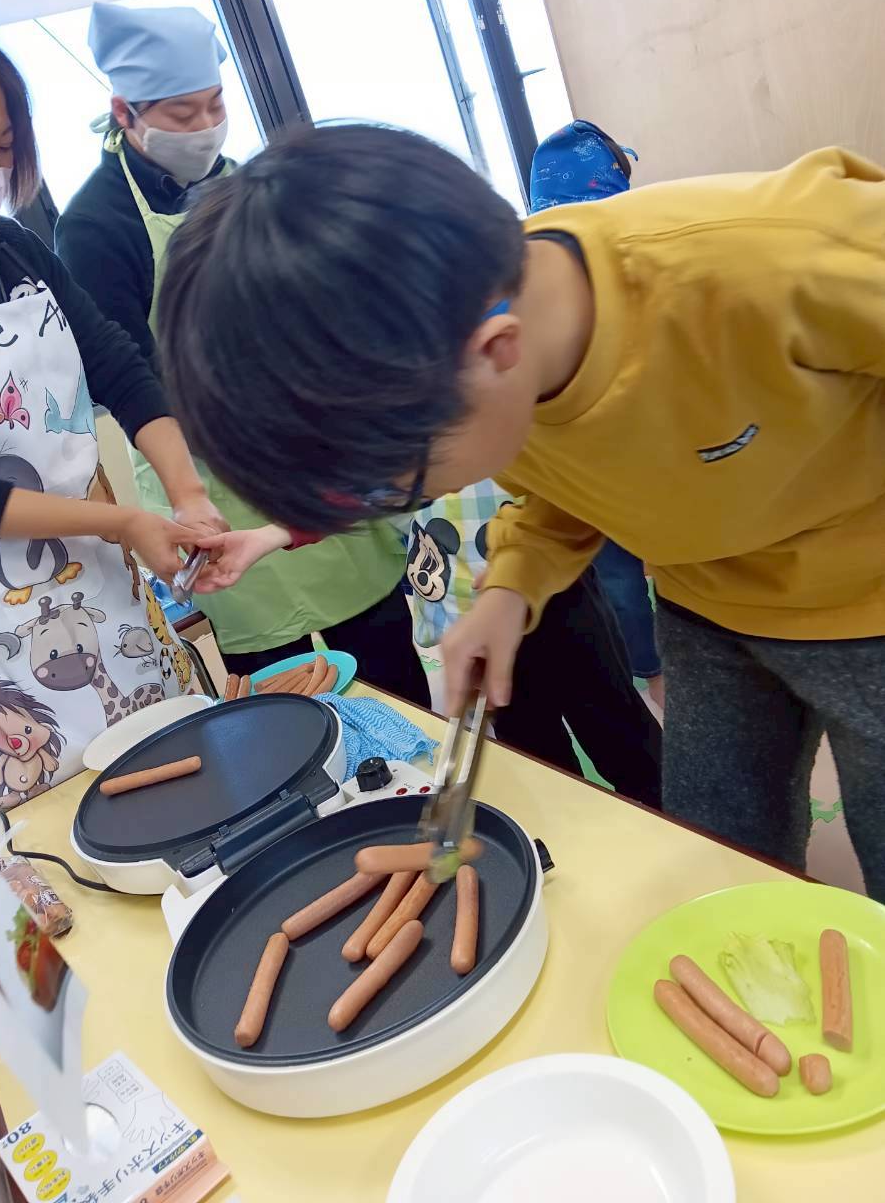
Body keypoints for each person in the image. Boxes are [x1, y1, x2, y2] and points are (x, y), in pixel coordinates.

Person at [157, 124, 885, 902]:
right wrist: (511, 590)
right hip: (707, 608)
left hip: (867, 606)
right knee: (726, 852)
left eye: (397, 487)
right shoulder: (484, 367)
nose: (396, 503)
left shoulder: (766, 259)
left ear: (497, 353)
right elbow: (572, 484)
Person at [56, 4, 428, 705]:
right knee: (280, 690)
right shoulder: (96, 224)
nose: (204, 126)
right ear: (125, 112)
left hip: (311, 457)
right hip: (205, 475)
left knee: (386, 658)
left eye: (215, 106)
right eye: (182, 113)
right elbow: (126, 372)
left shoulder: (247, 186)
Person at [0, 3, 224, 814]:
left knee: (180, 772)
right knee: (73, 814)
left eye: (2, 145)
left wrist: (186, 493)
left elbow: (120, 366)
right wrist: (120, 521)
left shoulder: (14, 248)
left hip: (105, 581)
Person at [402, 479, 662, 806]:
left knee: (617, 728)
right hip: (470, 610)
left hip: (557, 585)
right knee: (534, 750)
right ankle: (570, 818)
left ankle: (667, 815)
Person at [531, 119, 665, 710]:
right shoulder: (543, 281)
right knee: (620, 576)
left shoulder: (643, 259)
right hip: (595, 461)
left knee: (645, 571)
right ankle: (650, 670)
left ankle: (653, 668)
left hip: (640, 454)